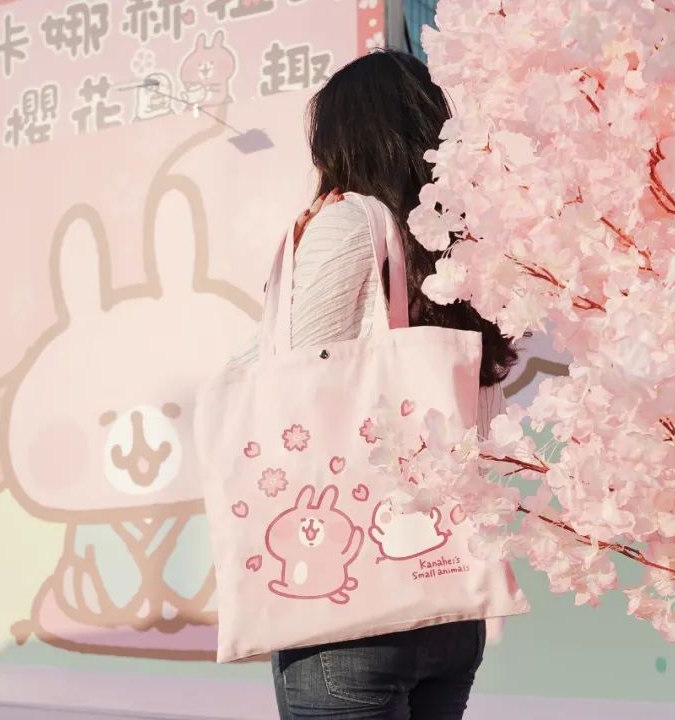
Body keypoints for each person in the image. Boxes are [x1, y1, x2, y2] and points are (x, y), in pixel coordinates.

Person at [228, 49, 519, 719]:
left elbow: (290, 372)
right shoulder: (463, 243)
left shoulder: (345, 222)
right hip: (448, 600)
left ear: (343, 138)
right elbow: (484, 406)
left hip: (351, 605)